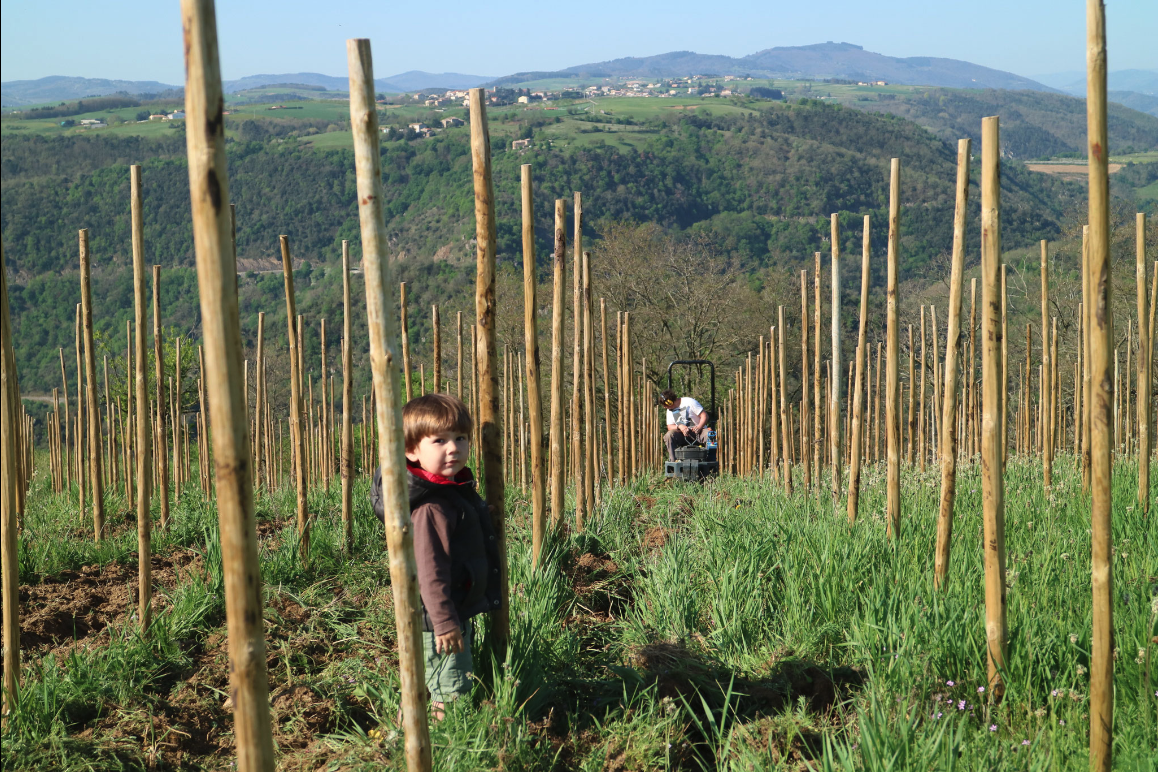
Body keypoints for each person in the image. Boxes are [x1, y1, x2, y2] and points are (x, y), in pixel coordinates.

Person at [370, 393, 501, 720]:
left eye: (460, 438)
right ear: (412, 450)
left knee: (429, 684)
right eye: (439, 440)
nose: (453, 447)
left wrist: (480, 513)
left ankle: (403, 735)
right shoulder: (430, 508)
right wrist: (444, 623)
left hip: (445, 615)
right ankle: (447, 744)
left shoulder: (447, 492)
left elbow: (458, 530)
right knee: (450, 690)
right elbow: (430, 573)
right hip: (439, 620)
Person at [660, 388, 711, 462]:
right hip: (682, 435)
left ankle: (708, 461)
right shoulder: (669, 410)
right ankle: (674, 461)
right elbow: (669, 426)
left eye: (665, 405)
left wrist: (699, 427)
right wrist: (679, 426)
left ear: (669, 402)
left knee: (709, 435)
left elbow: (705, 416)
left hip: (699, 432)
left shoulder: (690, 402)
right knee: (669, 436)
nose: (664, 407)